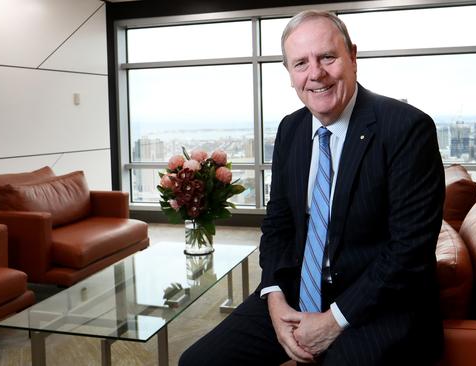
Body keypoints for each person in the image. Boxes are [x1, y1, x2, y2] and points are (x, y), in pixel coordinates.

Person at [179, 10, 445, 365]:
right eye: (301, 63)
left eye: (328, 57)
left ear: (352, 56)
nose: (315, 73)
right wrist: (273, 297)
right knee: (197, 362)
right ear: (289, 73)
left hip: (377, 305)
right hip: (295, 294)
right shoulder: (291, 130)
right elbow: (278, 225)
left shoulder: (406, 128)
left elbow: (408, 252)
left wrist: (333, 320)